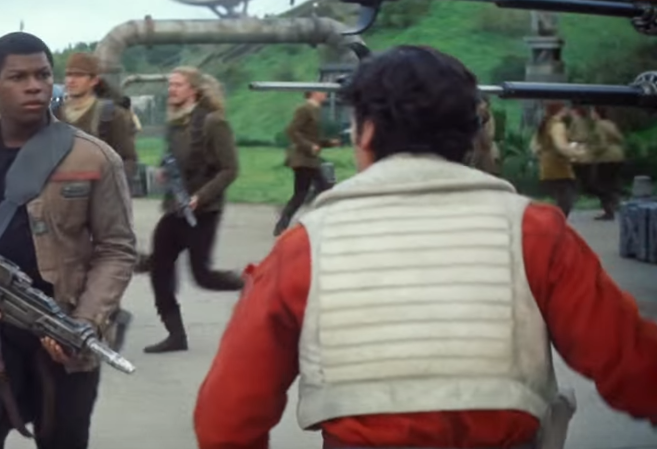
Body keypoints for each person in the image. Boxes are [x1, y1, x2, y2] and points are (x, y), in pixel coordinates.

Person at [193, 45, 657, 449]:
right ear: (471, 134)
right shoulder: (533, 230)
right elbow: (635, 367)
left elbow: (228, 413)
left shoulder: (305, 245)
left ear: (366, 132)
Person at [0, 32, 137, 449]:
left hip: (62, 323)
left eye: (43, 75)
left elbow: (116, 249)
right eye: (18, 77)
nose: (34, 86)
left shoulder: (94, 157)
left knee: (63, 438)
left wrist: (86, 322)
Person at [139, 67, 244, 354]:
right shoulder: (175, 123)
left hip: (204, 212)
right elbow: (172, 160)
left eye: (178, 84)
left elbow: (230, 169)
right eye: (170, 84)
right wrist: (163, 172)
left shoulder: (213, 123)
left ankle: (252, 284)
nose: (171, 89)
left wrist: (202, 196)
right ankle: (176, 335)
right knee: (160, 269)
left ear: (193, 90)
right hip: (175, 209)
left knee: (203, 276)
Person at [56, 52, 139, 183]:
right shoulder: (55, 115)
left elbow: (128, 159)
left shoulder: (112, 115)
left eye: (79, 75)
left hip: (99, 188)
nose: (71, 80)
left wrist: (113, 185)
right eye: (68, 75)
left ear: (94, 80)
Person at [274, 90, 340, 236]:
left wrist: (329, 143)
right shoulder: (304, 109)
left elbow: (312, 138)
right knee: (318, 190)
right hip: (302, 159)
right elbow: (291, 130)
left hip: (310, 159)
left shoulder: (315, 110)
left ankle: (282, 224)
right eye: (322, 91)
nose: (325, 94)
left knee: (305, 192)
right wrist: (309, 146)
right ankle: (285, 224)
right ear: (314, 93)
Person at [533, 101, 586, 217]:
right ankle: (556, 222)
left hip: (547, 165)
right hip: (558, 166)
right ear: (560, 110)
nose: (567, 110)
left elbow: (535, 145)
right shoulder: (557, 125)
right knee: (566, 200)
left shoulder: (546, 123)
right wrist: (578, 153)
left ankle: (555, 221)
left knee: (562, 198)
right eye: (565, 108)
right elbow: (561, 146)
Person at [589, 107, 626, 220]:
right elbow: (620, 138)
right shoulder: (610, 124)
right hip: (618, 155)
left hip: (606, 158)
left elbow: (602, 144)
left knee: (600, 184)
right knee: (613, 183)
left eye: (592, 112)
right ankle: (616, 204)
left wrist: (591, 151)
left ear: (597, 114)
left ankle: (608, 211)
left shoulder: (599, 125)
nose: (591, 115)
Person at [468, 97, 501, 175]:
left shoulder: (488, 117)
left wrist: (483, 121)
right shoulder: (468, 116)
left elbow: (487, 141)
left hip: (486, 156)